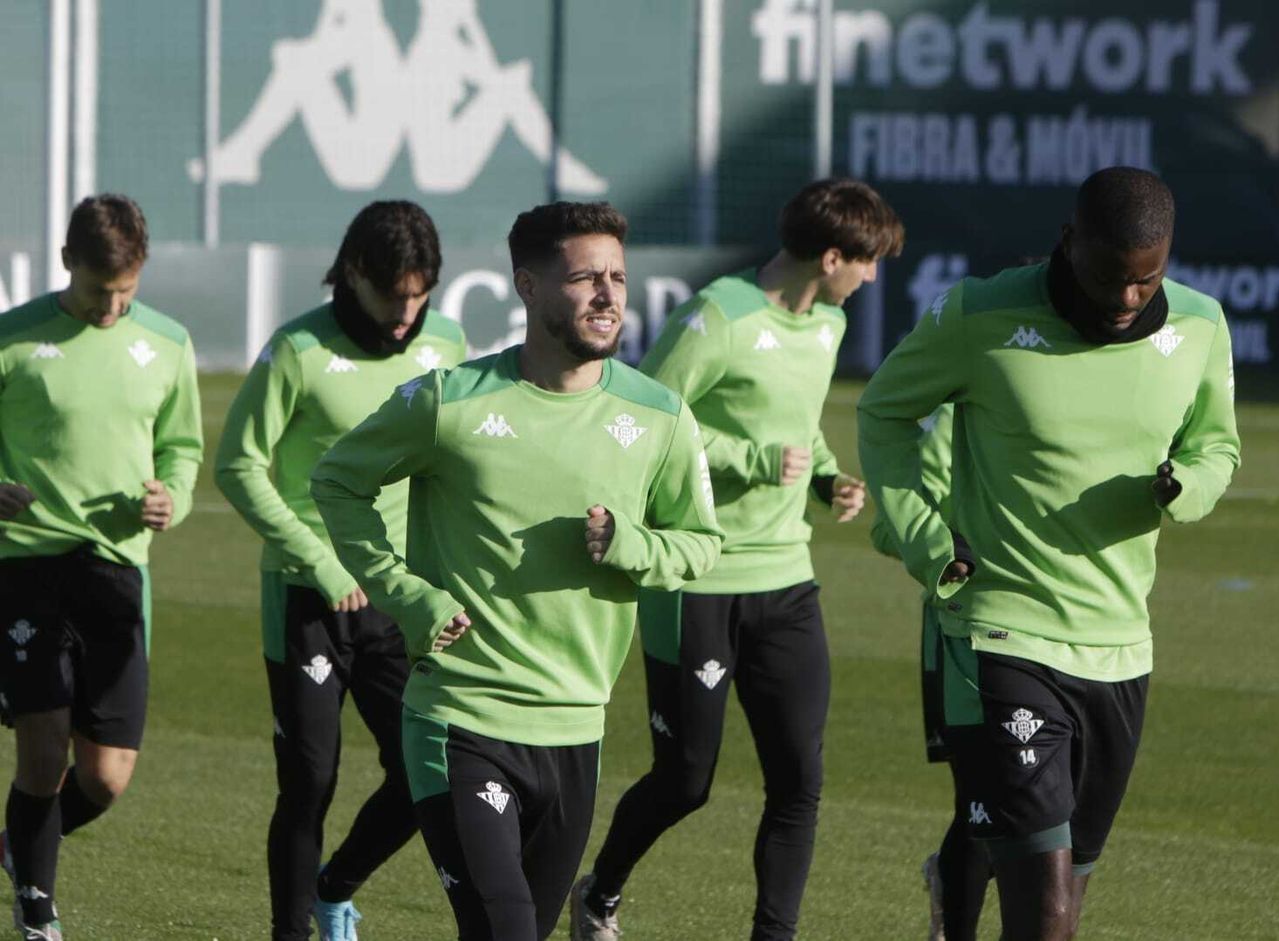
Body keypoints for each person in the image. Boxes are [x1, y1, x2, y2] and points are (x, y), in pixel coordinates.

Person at [310, 201, 722, 940]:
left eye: (618, 277)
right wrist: (406, 594)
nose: (607, 295)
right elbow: (338, 481)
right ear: (528, 287)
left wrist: (633, 545)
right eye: (586, 278)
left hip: (577, 728)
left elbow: (699, 544)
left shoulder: (661, 416)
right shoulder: (449, 401)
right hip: (460, 718)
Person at [857, 167, 1241, 941]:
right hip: (1003, 633)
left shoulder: (1201, 325)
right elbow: (884, 412)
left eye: (1146, 279)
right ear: (1068, 242)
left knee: (1068, 893)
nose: (1126, 297)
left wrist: (1186, 486)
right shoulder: (979, 314)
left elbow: (1217, 445)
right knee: (1046, 914)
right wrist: (925, 536)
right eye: (1110, 276)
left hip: (1120, 646)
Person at [572, 178, 903, 941]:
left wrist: (824, 476)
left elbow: (797, 423)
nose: (872, 277)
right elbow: (642, 414)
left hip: (787, 581)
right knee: (685, 780)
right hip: (697, 579)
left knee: (799, 782)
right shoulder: (717, 315)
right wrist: (753, 458)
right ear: (831, 257)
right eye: (868, 261)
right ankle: (599, 892)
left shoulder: (826, 325)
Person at [214, 200, 466, 941]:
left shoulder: (447, 344)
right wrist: (319, 561)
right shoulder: (298, 350)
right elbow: (237, 465)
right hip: (307, 598)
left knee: (425, 770)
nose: (406, 313)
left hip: (401, 597)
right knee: (309, 780)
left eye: (420, 294)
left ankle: (335, 887)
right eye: (393, 294)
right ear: (353, 272)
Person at [0, 195, 203, 941]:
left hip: (118, 571)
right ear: (67, 263)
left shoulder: (168, 344)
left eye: (126, 291)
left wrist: (173, 495)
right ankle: (38, 910)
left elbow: (182, 449)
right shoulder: (12, 339)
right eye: (97, 291)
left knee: (106, 777)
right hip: (26, 564)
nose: (111, 307)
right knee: (43, 744)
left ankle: (18, 847)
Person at [867, 403, 992, 941]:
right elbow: (887, 526)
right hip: (965, 630)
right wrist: (949, 551)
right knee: (984, 801)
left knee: (1046, 806)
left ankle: (949, 874)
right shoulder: (954, 418)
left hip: (1063, 630)